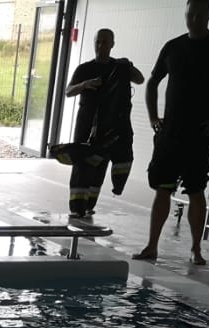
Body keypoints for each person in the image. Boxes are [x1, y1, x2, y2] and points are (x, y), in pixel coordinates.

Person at [133, 0, 209, 266]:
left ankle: (196, 249)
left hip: (199, 133)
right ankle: (152, 245)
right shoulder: (173, 46)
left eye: (199, 14)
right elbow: (152, 82)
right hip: (170, 132)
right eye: (190, 14)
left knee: (196, 190)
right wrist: (153, 117)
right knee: (162, 189)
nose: (193, 19)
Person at [60, 29, 145, 217]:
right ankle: (76, 208)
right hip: (86, 123)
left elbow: (140, 79)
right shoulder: (84, 69)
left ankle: (89, 205)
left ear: (112, 44)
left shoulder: (119, 67)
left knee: (100, 165)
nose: (100, 46)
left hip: (110, 126)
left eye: (105, 42)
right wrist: (84, 84)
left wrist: (128, 66)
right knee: (82, 163)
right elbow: (68, 91)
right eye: (98, 42)